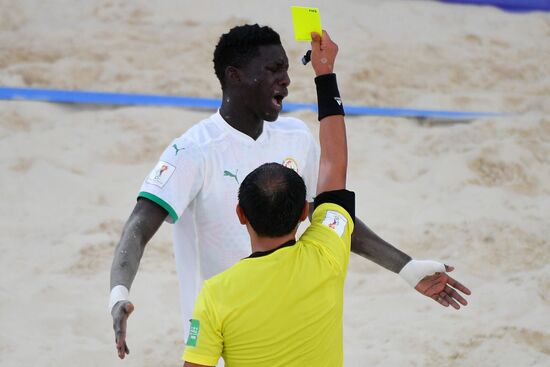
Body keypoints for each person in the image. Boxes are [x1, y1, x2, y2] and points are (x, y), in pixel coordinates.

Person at [109, 24, 471, 362]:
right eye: (273, 70)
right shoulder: (193, 150)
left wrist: (405, 267)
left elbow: (328, 213)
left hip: (294, 327)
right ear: (235, 76)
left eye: (286, 68)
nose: (285, 80)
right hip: (221, 339)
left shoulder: (295, 136)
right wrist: (119, 293)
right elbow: (139, 226)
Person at [183, 29, 352, 366]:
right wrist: (325, 74)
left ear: (241, 214)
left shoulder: (216, 295)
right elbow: (334, 163)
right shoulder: (327, 255)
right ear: (306, 211)